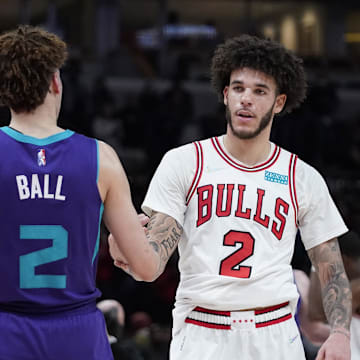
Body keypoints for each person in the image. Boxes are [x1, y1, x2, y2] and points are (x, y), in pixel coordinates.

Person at [110, 34, 352, 359]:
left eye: (259, 91)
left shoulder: (302, 177)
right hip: (201, 332)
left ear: (279, 103)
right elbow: (151, 267)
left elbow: (330, 267)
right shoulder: (184, 162)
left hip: (275, 333)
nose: (246, 99)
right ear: (225, 95)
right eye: (238, 88)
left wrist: (340, 332)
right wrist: (128, 251)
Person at [0, 25, 160, 359]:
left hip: (7, 329)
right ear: (56, 82)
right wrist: (122, 245)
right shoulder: (100, 157)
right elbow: (146, 269)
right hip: (77, 333)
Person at [306, 231, 360, 359]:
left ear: (344, 261)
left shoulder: (355, 288)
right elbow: (315, 314)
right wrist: (319, 265)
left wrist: (321, 264)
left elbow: (317, 313)